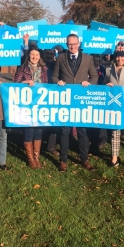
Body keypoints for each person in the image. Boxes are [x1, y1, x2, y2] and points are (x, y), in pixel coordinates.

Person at [51, 33, 98, 172]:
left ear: (79, 44)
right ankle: (63, 161)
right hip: (65, 99)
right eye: (69, 44)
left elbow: (94, 76)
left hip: (81, 99)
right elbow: (54, 76)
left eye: (74, 43)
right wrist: (57, 81)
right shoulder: (60, 58)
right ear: (67, 45)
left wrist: (89, 83)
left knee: (82, 131)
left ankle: (84, 159)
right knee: (65, 131)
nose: (72, 46)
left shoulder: (88, 58)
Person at [14, 47, 48, 168]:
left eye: (37, 55)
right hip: (27, 105)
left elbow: (47, 86)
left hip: (40, 105)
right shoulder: (22, 69)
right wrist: (25, 82)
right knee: (29, 131)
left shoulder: (44, 69)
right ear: (29, 55)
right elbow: (15, 85)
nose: (34, 57)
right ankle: (30, 159)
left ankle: (36, 158)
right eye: (32, 54)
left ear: (40, 57)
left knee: (38, 131)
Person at [42, 49, 59, 156]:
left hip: (54, 96)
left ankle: (51, 147)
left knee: (53, 123)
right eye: (47, 53)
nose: (49, 55)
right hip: (40, 96)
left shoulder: (57, 65)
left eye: (51, 54)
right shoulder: (40, 64)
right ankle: (38, 145)